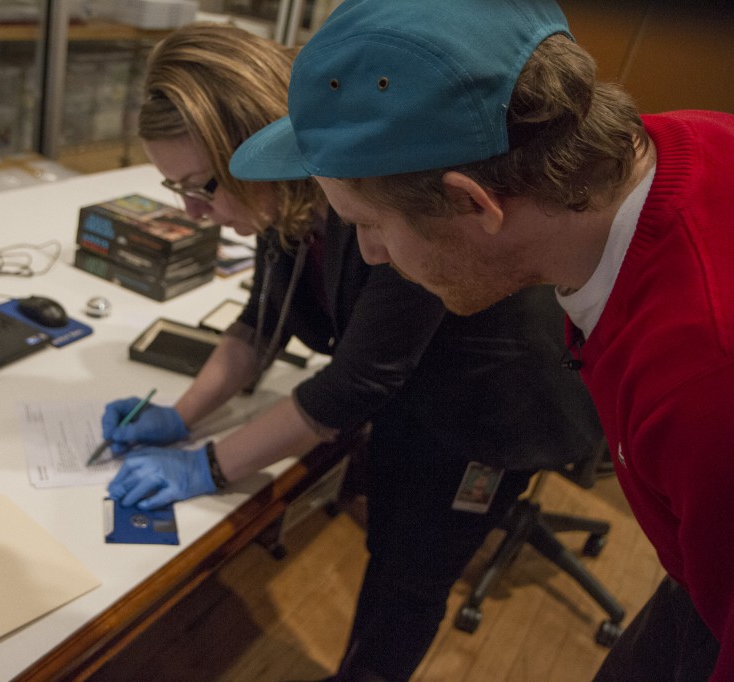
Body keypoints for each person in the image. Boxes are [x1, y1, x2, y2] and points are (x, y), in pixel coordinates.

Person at [228, 0, 733, 679]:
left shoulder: (705, 380)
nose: (371, 255)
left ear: (474, 203)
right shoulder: (679, 142)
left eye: (370, 225)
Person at [103, 22, 603, 681]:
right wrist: (183, 414)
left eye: (204, 186)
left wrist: (209, 468)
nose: (196, 214)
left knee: (408, 579)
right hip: (412, 388)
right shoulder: (281, 194)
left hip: (490, 406)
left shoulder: (379, 198)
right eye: (181, 191)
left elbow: (358, 380)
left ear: (254, 142)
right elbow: (262, 320)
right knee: (388, 541)